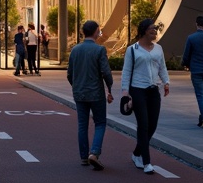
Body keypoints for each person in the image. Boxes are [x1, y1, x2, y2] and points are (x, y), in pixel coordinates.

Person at [121, 18, 169, 174]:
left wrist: (166, 82)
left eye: (155, 29)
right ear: (143, 31)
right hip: (137, 90)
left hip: (153, 90)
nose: (155, 31)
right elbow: (126, 72)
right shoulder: (132, 49)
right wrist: (125, 94)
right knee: (143, 124)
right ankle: (146, 161)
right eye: (152, 29)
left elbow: (162, 67)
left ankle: (136, 153)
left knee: (152, 125)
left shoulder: (158, 49)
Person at [67, 20, 114, 170]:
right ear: (95, 31)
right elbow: (106, 72)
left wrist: (76, 86)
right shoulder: (100, 50)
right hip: (96, 92)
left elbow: (70, 73)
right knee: (100, 123)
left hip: (79, 92)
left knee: (82, 124)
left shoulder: (75, 50)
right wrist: (109, 89)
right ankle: (94, 152)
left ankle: (83, 157)